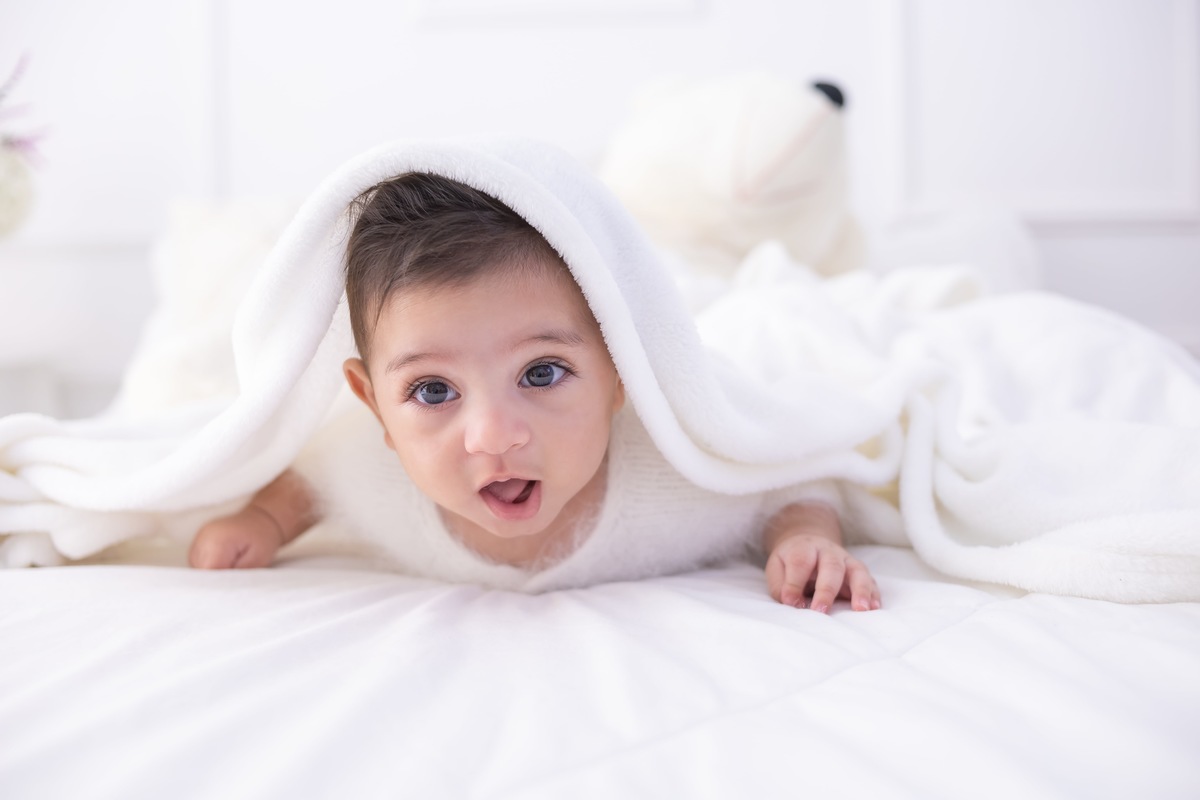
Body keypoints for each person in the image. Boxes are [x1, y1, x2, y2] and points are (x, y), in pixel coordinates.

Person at [188, 173, 881, 613]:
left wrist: (805, 536)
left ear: (619, 373)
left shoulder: (679, 472)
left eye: (542, 373)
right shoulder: (370, 471)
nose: (493, 435)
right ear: (374, 408)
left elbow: (789, 465)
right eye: (432, 391)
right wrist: (264, 522)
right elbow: (311, 473)